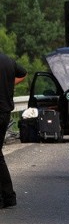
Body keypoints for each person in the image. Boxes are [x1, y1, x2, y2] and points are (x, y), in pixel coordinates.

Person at [0, 52, 27, 209]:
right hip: (5, 112)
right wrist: (10, 83)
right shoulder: (8, 60)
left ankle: (7, 197)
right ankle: (8, 197)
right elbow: (23, 73)